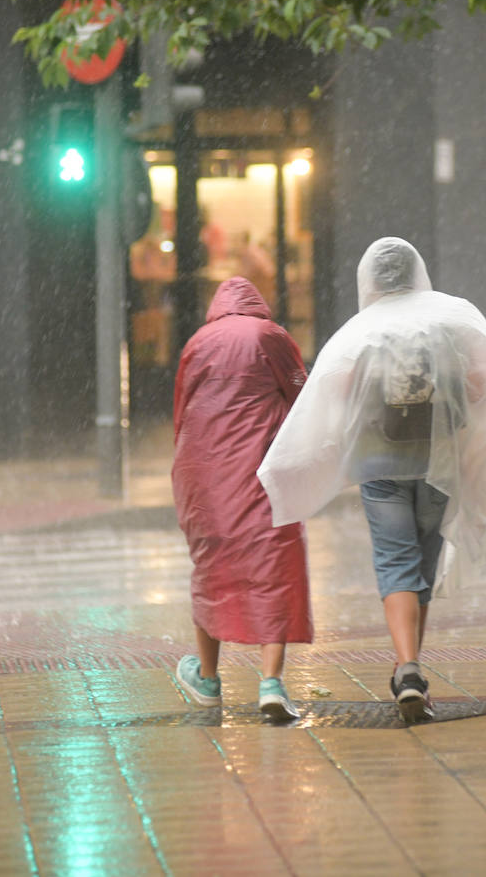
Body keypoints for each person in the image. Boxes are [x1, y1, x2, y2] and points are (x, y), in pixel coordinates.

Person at [259, 237, 486, 723]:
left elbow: (330, 396)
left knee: (395, 562)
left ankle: (408, 668)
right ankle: (411, 672)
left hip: (379, 465)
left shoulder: (360, 331)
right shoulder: (450, 317)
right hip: (437, 461)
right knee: (422, 565)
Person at [171, 276, 311, 722]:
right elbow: (302, 397)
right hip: (262, 473)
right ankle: (270, 682)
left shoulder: (197, 342)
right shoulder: (270, 336)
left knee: (212, 569)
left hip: (206, 476)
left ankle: (208, 679)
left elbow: (182, 411)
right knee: (275, 568)